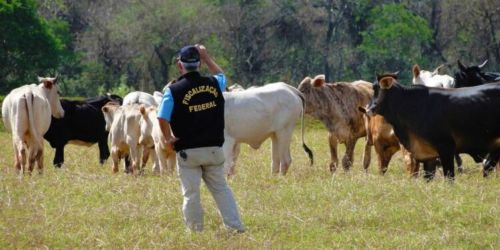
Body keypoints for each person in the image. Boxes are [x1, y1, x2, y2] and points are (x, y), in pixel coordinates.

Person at [157, 44, 245, 233]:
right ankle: (235, 227)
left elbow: (162, 117)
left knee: (191, 194)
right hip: (214, 149)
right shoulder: (214, 83)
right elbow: (222, 76)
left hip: (188, 152)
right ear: (199, 64)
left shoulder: (173, 91)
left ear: (180, 66)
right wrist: (206, 57)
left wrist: (168, 138)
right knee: (221, 189)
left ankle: (196, 232)